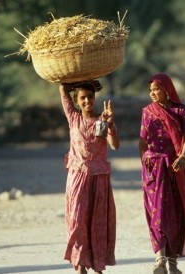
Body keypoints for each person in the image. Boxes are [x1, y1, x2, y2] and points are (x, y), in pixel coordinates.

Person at [138, 73, 185, 274]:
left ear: (167, 89)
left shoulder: (181, 110)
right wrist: (145, 163)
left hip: (175, 166)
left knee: (176, 212)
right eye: (150, 90)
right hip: (153, 169)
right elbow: (142, 141)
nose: (153, 93)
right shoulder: (148, 112)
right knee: (156, 212)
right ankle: (160, 259)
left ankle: (173, 263)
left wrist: (183, 157)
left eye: (156, 89)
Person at [59, 81, 120, 274]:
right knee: (77, 221)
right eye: (83, 98)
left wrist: (109, 124)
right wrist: (73, 82)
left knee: (97, 222)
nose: (87, 101)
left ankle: (97, 265)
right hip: (77, 178)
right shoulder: (73, 118)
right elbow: (62, 89)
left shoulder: (101, 121)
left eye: (90, 97)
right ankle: (80, 264)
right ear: (76, 101)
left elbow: (114, 145)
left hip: (99, 178)